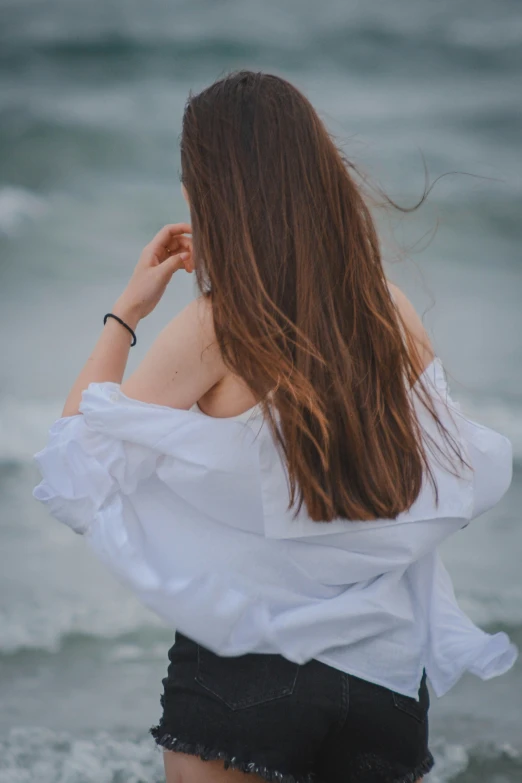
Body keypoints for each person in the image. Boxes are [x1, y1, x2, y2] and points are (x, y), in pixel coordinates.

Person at [33, 71, 516, 783]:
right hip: (383, 684)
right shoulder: (391, 311)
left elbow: (76, 468)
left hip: (246, 672)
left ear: (217, 191)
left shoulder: (220, 327)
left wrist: (125, 314)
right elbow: (449, 478)